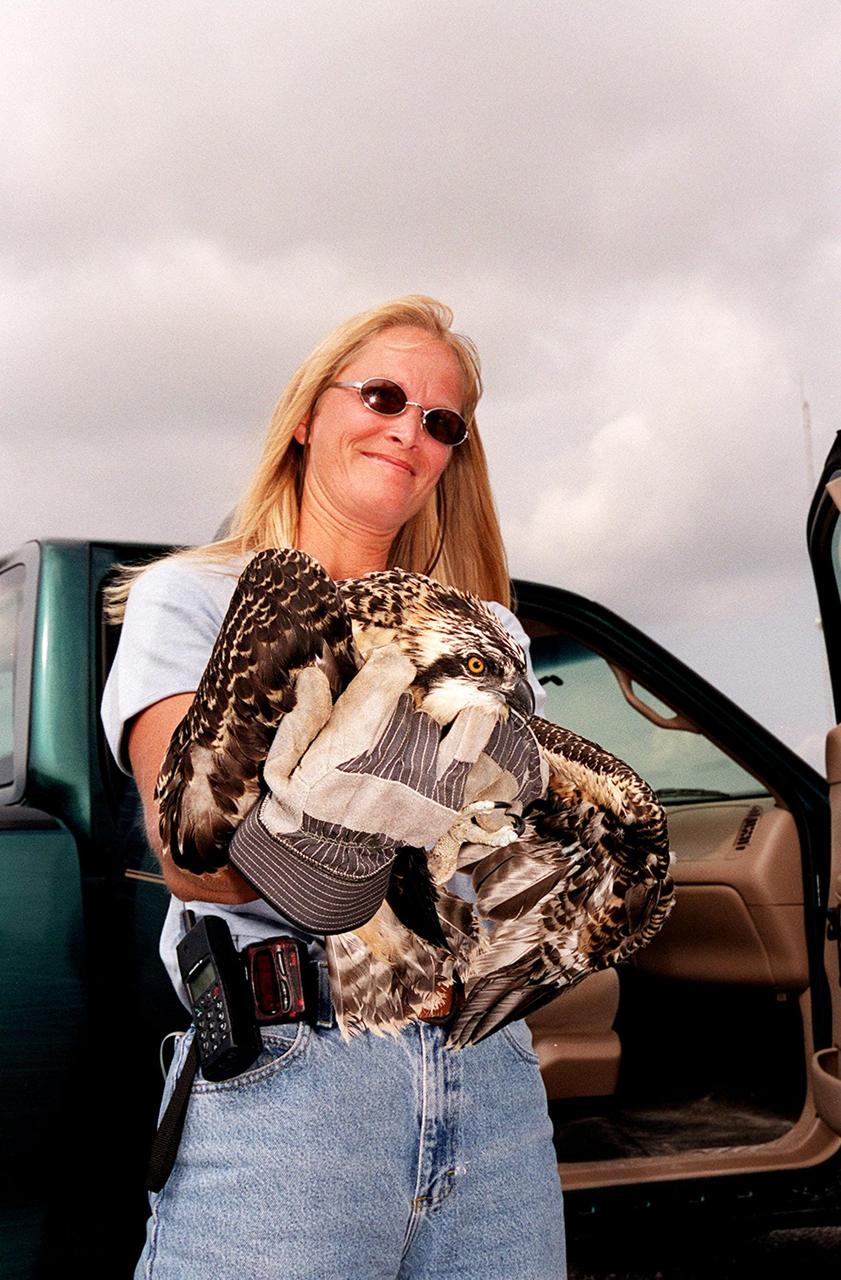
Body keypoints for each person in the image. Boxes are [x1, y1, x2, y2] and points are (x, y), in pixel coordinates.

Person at [102, 295, 567, 1279]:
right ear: (310, 411)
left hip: (489, 1081)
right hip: (293, 1085)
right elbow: (201, 855)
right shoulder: (191, 598)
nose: (411, 429)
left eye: (442, 422)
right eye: (386, 394)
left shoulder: (489, 629)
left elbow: (522, 860)